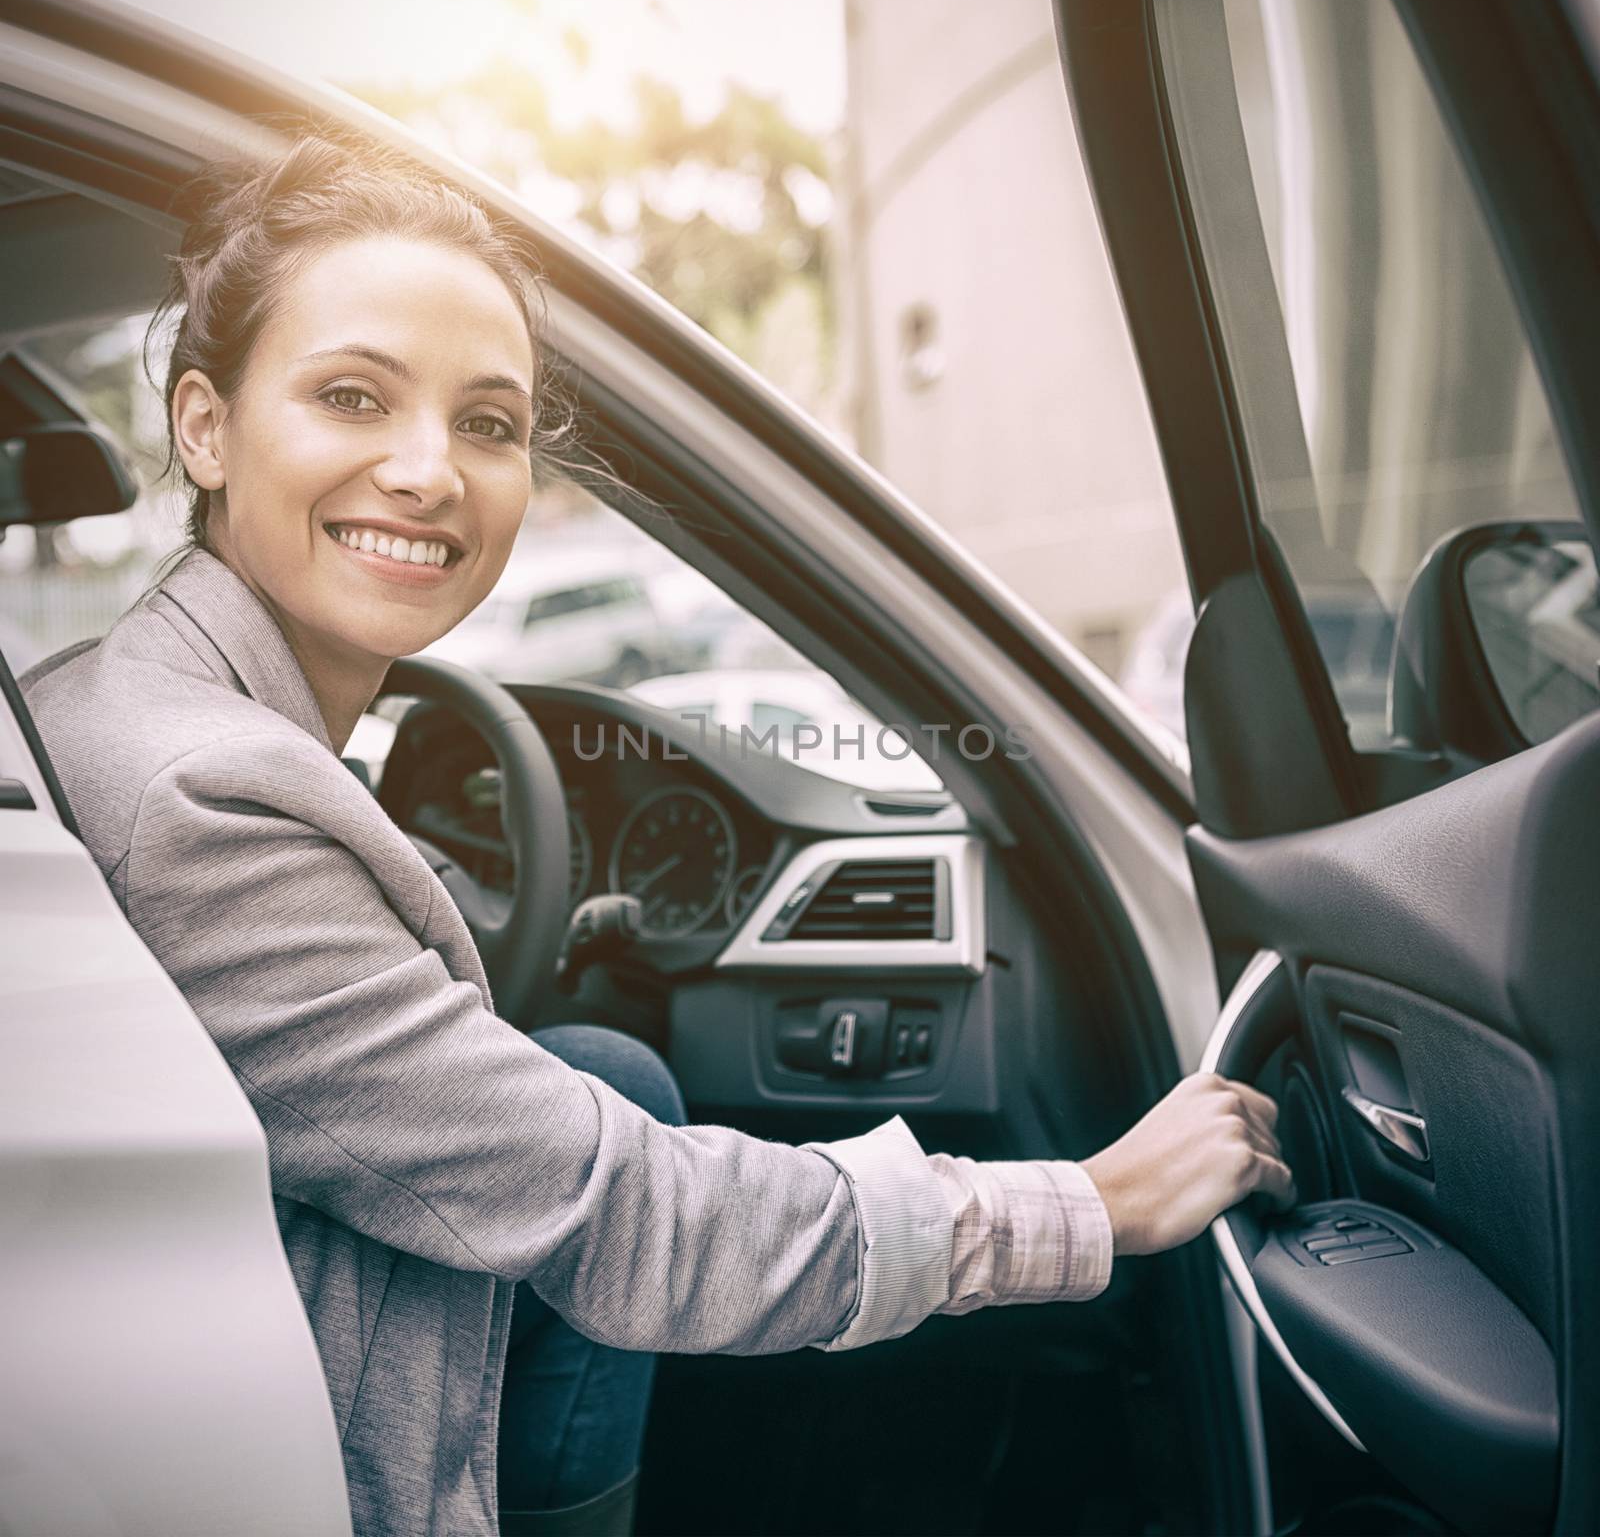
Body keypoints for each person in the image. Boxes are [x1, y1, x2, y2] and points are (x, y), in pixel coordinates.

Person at [20, 134, 1293, 1537]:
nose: (432, 471)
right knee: (612, 1112)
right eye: (351, 396)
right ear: (203, 424)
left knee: (603, 1059)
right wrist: (1092, 1204)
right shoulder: (207, 797)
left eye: (490, 423)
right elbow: (615, 1207)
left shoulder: (110, 702)